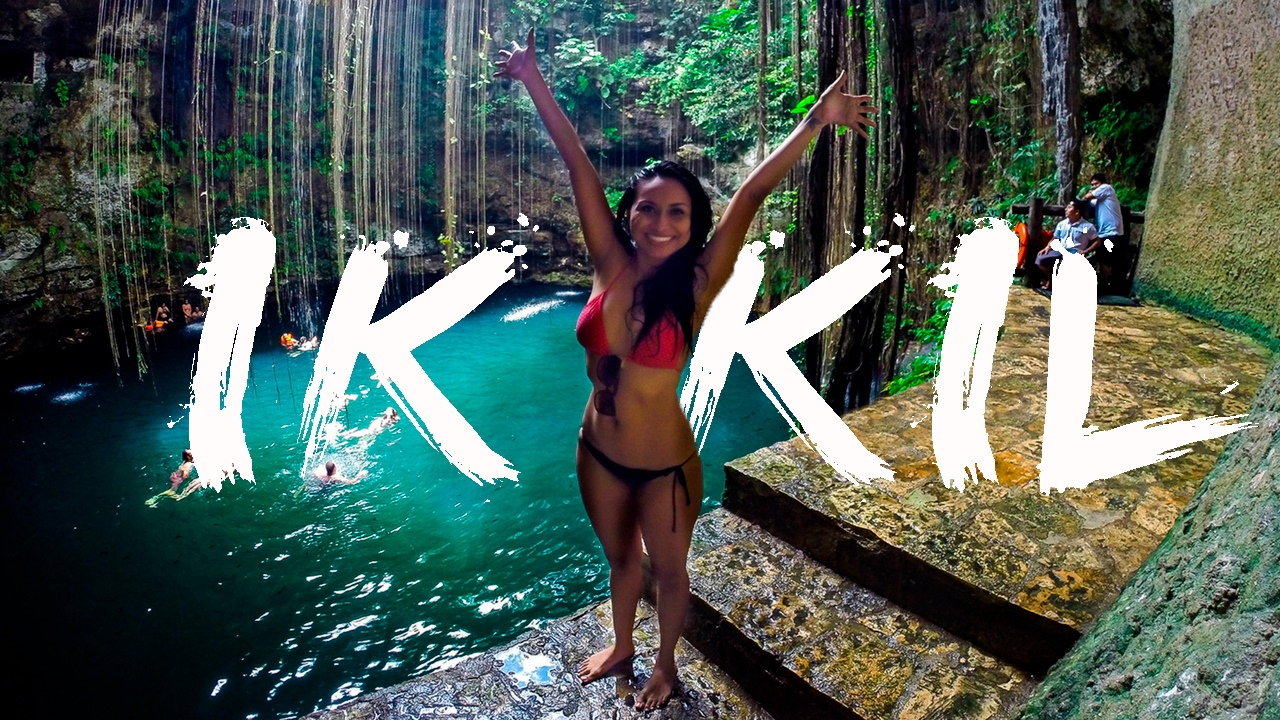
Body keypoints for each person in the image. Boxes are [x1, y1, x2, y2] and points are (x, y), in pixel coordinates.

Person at [496, 28, 876, 710]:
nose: (661, 222)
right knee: (620, 561)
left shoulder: (699, 282)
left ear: (693, 221)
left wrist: (814, 122)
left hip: (664, 466)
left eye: (677, 212)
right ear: (629, 214)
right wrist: (532, 80)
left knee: (669, 573)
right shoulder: (608, 262)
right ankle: (623, 645)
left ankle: (665, 664)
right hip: (595, 450)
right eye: (648, 208)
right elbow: (577, 163)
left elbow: (750, 195)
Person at [1036, 198, 1099, 291]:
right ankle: (1051, 280)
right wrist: (1048, 247)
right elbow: (1055, 238)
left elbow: (1097, 241)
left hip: (1075, 252)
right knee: (1041, 259)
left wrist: (1086, 251)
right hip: (1060, 249)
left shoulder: (1088, 227)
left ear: (1077, 212)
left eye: (1069, 207)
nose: (1066, 209)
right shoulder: (1062, 224)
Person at [1082, 172, 1126, 289]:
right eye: (1092, 185)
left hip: (1111, 231)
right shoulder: (1099, 199)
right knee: (1103, 258)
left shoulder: (1107, 188)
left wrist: (1086, 196)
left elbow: (1087, 197)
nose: (1093, 187)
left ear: (1102, 183)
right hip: (1104, 233)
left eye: (1096, 184)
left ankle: (1104, 285)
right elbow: (1089, 202)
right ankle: (1105, 284)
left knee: (1105, 260)